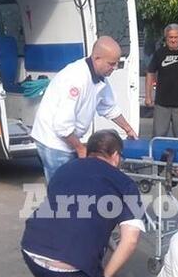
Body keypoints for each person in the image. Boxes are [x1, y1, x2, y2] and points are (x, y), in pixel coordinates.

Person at [5, 130, 145, 277]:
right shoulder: (124, 183)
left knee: (72, 274)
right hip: (68, 268)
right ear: (116, 156)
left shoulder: (65, 169)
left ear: (88, 152)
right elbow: (130, 241)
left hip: (31, 251)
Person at [31, 36, 138, 183]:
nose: (115, 68)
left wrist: (128, 129)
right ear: (97, 58)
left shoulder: (100, 77)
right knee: (62, 190)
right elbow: (62, 126)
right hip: (53, 140)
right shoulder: (76, 80)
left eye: (117, 64)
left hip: (68, 136)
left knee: (74, 187)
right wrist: (80, 148)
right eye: (111, 64)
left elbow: (109, 107)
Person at [145, 24, 178, 138]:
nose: (173, 40)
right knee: (158, 137)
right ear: (166, 38)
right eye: (170, 37)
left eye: (176, 37)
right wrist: (148, 96)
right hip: (161, 104)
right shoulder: (159, 53)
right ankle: (157, 156)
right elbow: (150, 73)